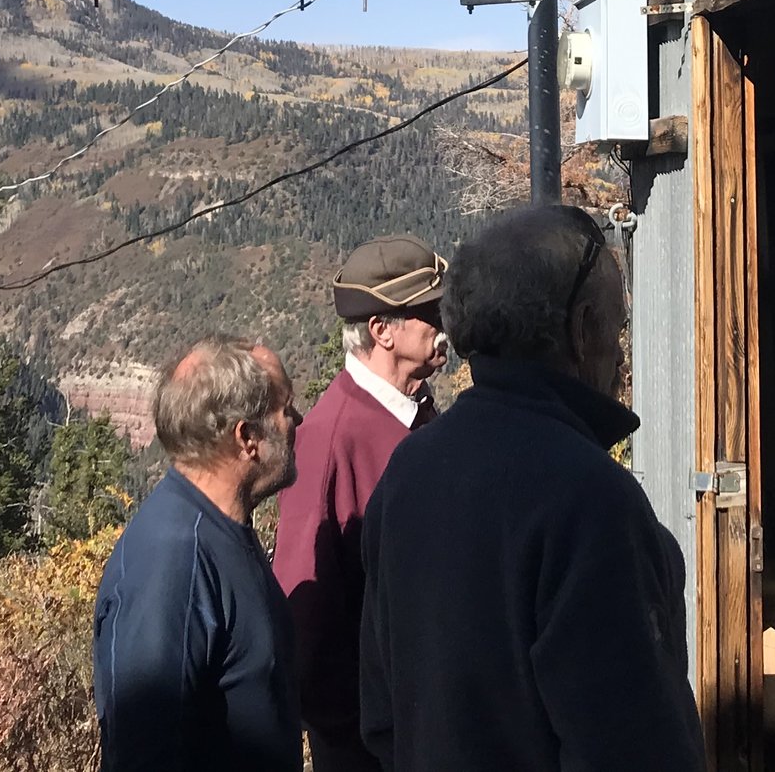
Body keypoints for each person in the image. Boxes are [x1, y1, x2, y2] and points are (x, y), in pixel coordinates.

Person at [358, 205, 704, 772]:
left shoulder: (408, 473)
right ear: (582, 326)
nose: (620, 352)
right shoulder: (591, 499)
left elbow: (381, 717)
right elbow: (636, 745)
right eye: (616, 327)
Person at [270, 234, 448, 772]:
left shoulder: (417, 416)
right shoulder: (331, 440)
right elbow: (308, 620)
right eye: (429, 312)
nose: (445, 323)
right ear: (382, 331)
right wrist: (365, 741)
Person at [93, 334, 304, 772]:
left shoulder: (222, 531)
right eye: (285, 409)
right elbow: (144, 753)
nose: (297, 418)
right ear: (247, 438)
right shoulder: (173, 564)